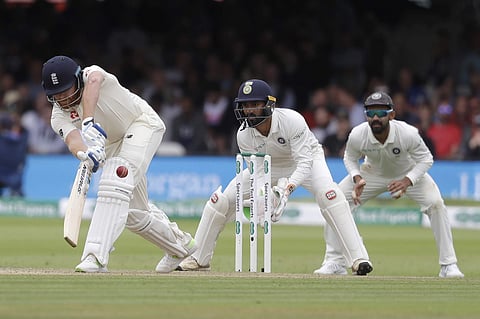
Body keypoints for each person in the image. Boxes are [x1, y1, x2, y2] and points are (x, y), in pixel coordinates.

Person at [177, 79, 373, 275]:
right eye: (245, 106)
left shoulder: (292, 120)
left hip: (307, 160)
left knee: (331, 195)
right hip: (269, 165)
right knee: (221, 201)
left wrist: (286, 190)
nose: (249, 110)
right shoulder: (243, 135)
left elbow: (304, 162)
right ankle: (199, 258)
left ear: (269, 104)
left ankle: (358, 259)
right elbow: (258, 172)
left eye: (255, 104)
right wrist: (266, 196)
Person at [41, 55, 196, 273]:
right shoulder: (58, 116)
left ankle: (95, 256)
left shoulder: (92, 75)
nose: (63, 99)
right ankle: (181, 245)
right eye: (56, 95)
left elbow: (94, 83)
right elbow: (73, 140)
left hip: (142, 124)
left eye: (66, 91)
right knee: (133, 213)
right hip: (112, 145)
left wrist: (88, 122)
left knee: (115, 177)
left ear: (78, 79)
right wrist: (86, 154)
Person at [316, 91, 464, 278]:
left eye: (381, 112)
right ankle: (334, 262)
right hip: (371, 173)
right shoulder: (358, 134)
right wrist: (356, 177)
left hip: (407, 172)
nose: (375, 117)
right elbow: (350, 157)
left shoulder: (408, 133)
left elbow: (426, 159)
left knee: (436, 204)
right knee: (334, 201)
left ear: (392, 115)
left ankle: (448, 265)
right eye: (370, 113)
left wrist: (407, 180)